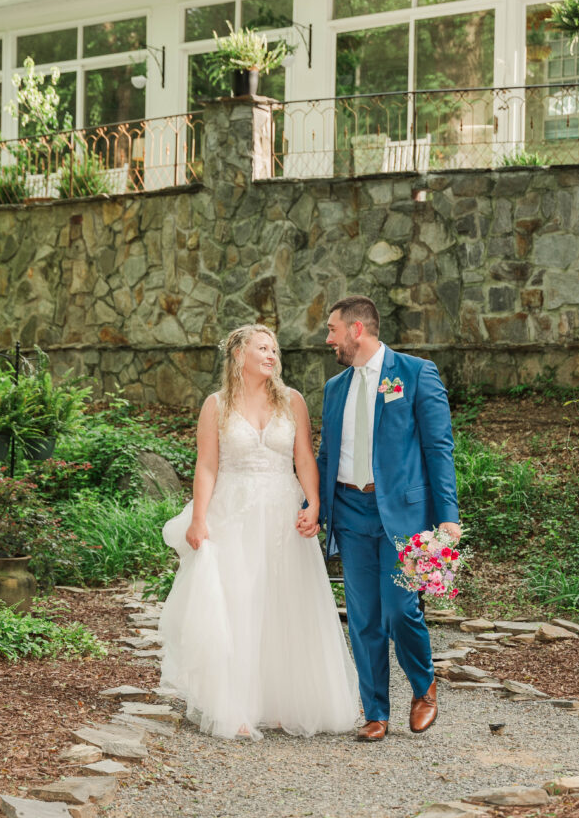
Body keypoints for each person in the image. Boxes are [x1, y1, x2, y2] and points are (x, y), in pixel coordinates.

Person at [159, 323, 359, 741]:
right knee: (239, 604)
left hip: (284, 514)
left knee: (284, 601)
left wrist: (314, 503)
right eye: (262, 348)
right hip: (233, 512)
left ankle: (285, 703)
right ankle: (236, 706)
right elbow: (208, 466)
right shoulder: (216, 405)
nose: (272, 355)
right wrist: (199, 518)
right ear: (239, 355)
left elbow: (304, 457)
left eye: (274, 349)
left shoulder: (293, 401)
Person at [314, 296, 460, 742]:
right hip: (351, 511)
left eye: (333, 329)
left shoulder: (416, 373)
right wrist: (316, 508)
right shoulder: (335, 387)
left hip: (405, 516)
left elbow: (438, 448)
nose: (328, 338)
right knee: (362, 618)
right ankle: (376, 712)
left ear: (357, 330)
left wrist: (447, 518)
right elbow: (326, 455)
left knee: (400, 612)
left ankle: (424, 687)